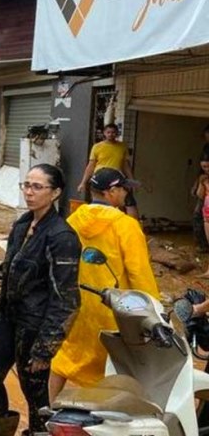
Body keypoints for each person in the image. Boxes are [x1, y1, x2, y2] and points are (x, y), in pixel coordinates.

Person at [0, 164, 81, 436]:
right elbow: (10, 269)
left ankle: (40, 433)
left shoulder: (62, 236)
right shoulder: (23, 223)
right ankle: (2, 428)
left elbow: (67, 300)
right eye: (26, 185)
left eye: (37, 187)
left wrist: (45, 348)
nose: (29, 192)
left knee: (35, 393)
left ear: (56, 192)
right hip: (10, 318)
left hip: (35, 326)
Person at [50, 168, 160, 398]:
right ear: (111, 191)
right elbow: (139, 273)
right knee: (116, 367)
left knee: (65, 357)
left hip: (76, 306)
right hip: (114, 308)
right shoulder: (126, 226)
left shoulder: (73, 219)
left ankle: (44, 414)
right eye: (122, 189)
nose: (125, 194)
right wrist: (153, 312)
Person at [77, 123, 139, 219]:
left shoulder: (122, 146)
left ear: (117, 134)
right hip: (100, 178)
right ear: (104, 133)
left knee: (127, 202)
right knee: (101, 203)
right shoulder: (97, 147)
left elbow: (126, 165)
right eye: (108, 132)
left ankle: (132, 224)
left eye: (113, 132)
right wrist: (83, 182)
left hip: (116, 178)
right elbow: (91, 165)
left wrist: (132, 182)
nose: (111, 134)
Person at [195, 155, 209, 253]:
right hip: (207, 214)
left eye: (208, 166)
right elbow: (200, 195)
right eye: (204, 167)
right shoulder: (203, 178)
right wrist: (201, 183)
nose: (207, 170)